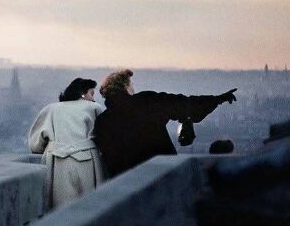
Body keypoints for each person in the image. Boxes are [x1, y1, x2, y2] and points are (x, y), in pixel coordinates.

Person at [94, 69, 237, 178]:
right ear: (125, 87)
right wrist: (217, 99)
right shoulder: (146, 101)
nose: (134, 88)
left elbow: (110, 163)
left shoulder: (102, 122)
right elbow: (184, 104)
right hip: (160, 172)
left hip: (128, 182)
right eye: (132, 85)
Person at [28, 78, 105, 208]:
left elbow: (36, 144)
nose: (93, 99)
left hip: (56, 163)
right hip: (88, 162)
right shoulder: (94, 108)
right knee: (89, 207)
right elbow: (104, 135)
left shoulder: (50, 109)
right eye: (92, 94)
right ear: (82, 93)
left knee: (59, 208)